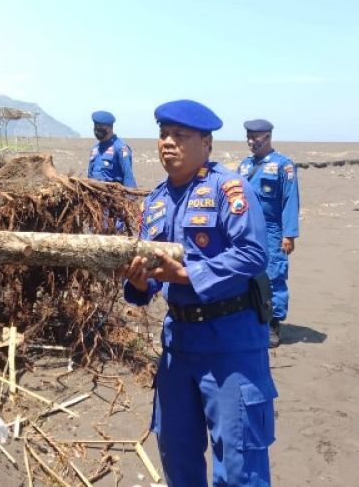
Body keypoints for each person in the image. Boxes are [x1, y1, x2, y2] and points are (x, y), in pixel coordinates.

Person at [119, 99, 277, 486]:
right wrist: (139, 283)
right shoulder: (155, 202)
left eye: (180, 135)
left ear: (206, 143)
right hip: (179, 345)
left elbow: (253, 253)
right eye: (163, 135)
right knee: (177, 452)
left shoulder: (228, 188)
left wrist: (190, 275)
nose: (168, 143)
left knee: (239, 464)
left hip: (231, 344)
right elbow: (152, 279)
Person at [237, 119, 300, 348]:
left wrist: (289, 234)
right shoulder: (245, 166)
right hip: (246, 229)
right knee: (247, 273)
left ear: (268, 137)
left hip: (272, 229)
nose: (251, 142)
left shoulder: (283, 165)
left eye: (255, 137)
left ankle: (273, 323)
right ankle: (253, 319)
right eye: (249, 137)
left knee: (274, 276)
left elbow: (290, 200)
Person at [87, 110, 136, 187]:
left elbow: (128, 177)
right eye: (95, 126)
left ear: (109, 128)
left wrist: (130, 193)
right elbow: (89, 177)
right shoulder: (95, 149)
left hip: (112, 192)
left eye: (99, 127)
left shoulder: (120, 148)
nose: (96, 129)